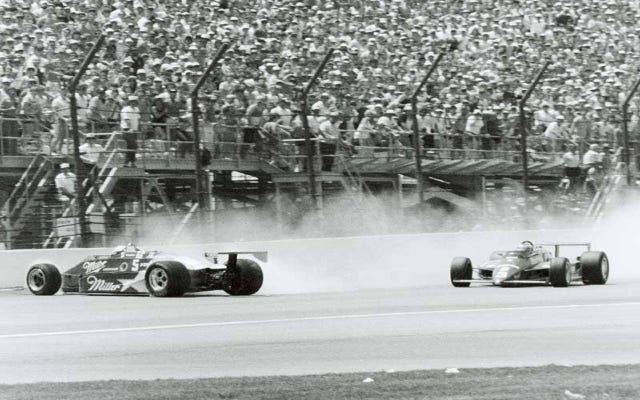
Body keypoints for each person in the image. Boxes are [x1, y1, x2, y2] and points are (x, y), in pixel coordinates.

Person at [121, 96, 141, 167]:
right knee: (134, 145)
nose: (133, 103)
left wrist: (138, 129)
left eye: (135, 101)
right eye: (132, 101)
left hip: (134, 130)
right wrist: (130, 129)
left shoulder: (136, 109)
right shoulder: (125, 109)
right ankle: (127, 162)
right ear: (129, 102)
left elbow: (138, 119)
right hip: (127, 129)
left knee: (131, 147)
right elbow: (127, 120)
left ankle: (130, 163)